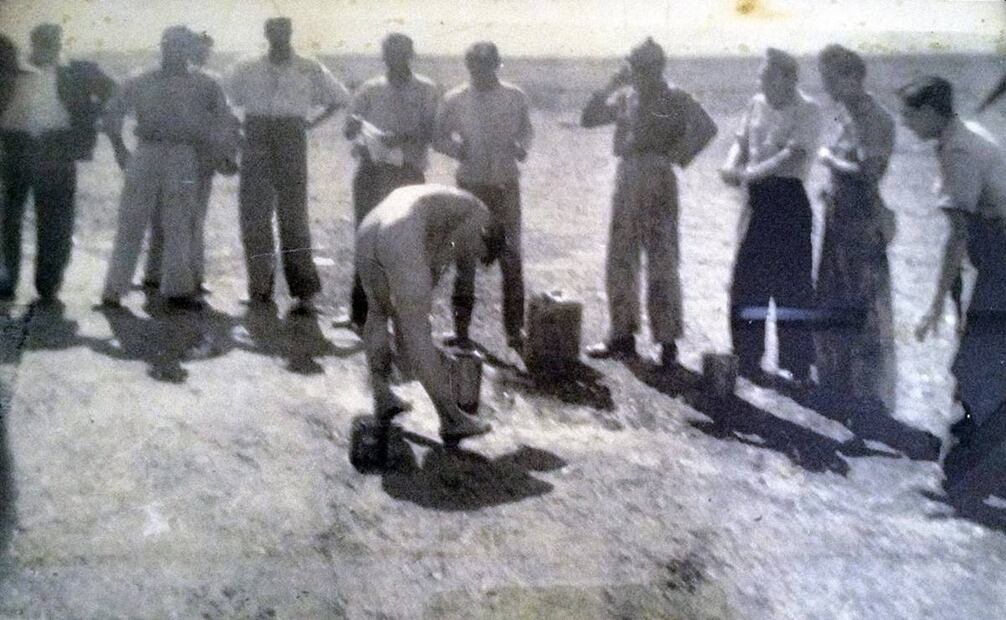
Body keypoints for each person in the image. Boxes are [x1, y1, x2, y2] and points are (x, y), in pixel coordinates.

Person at [581, 37, 717, 367]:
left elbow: (706, 127)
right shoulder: (627, 97)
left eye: (644, 67)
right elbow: (589, 117)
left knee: (662, 258)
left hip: (658, 174)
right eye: (634, 67)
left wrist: (676, 156)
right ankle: (621, 335)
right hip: (628, 173)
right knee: (621, 255)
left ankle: (667, 341)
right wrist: (611, 85)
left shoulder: (676, 96)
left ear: (659, 67)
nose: (639, 73)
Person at [356, 184, 504, 442]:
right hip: (401, 230)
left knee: (378, 311)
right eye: (476, 253)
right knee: (417, 331)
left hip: (371, 226)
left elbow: (433, 259)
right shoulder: (480, 216)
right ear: (485, 235)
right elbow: (440, 258)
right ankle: (451, 419)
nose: (469, 258)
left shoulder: (454, 205)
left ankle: (382, 396)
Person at [905, 76, 1006, 447]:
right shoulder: (962, 135)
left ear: (931, 112)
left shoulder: (959, 151)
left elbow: (956, 238)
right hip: (993, 261)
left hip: (999, 263)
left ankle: (970, 457)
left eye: (910, 115)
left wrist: (934, 306)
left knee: (976, 362)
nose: (905, 123)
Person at [100, 25, 230, 311]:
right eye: (169, 44)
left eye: (181, 45)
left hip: (184, 153)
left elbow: (223, 121)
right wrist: (120, 148)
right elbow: (112, 114)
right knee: (131, 219)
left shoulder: (206, 83)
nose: (174, 50)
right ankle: (114, 290)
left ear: (189, 49)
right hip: (147, 150)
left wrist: (219, 155)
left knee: (179, 221)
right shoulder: (141, 79)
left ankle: (178, 290)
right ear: (162, 46)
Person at [229, 17, 349, 315]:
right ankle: (259, 288)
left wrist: (310, 123)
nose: (279, 36)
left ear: (291, 33)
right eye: (273, 31)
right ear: (266, 33)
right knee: (254, 214)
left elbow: (340, 97)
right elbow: (224, 98)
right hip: (256, 134)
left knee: (293, 214)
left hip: (291, 136)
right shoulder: (247, 66)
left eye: (284, 31)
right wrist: (238, 129)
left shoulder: (308, 66)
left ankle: (304, 293)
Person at [719, 48, 821, 385]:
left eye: (767, 76)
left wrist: (751, 173)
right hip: (757, 202)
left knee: (792, 286)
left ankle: (796, 365)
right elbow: (740, 141)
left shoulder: (808, 109)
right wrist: (730, 165)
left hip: (788, 200)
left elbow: (792, 156)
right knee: (746, 282)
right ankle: (747, 358)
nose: (760, 81)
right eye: (761, 76)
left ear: (789, 78)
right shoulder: (756, 103)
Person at [0, 23, 117, 304]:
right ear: (32, 43)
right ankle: (5, 282)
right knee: (7, 220)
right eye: (42, 42)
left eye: (52, 43)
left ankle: (48, 285)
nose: (47, 48)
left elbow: (115, 91)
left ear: (60, 44)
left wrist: (90, 117)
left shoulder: (77, 71)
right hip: (14, 147)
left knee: (56, 222)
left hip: (57, 149)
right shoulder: (10, 71)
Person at [335, 32, 439, 331]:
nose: (395, 59)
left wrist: (401, 138)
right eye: (389, 53)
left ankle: (404, 317)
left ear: (411, 55)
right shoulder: (371, 88)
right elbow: (348, 129)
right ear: (383, 56)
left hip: (407, 173)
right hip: (371, 171)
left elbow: (433, 130)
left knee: (405, 243)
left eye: (401, 53)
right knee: (366, 239)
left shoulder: (426, 89)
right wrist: (356, 126)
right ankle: (359, 314)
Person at [814, 44, 897, 412]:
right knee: (831, 300)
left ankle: (868, 397)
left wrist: (828, 159)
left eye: (831, 78)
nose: (826, 86)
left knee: (864, 309)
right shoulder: (844, 113)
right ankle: (836, 387)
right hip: (838, 221)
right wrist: (830, 185)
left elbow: (870, 172)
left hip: (862, 224)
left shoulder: (876, 118)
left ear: (853, 77)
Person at [433, 41, 532, 352]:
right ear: (468, 66)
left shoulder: (515, 96)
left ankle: (514, 332)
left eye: (487, 64)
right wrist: (456, 149)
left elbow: (526, 130)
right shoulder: (455, 98)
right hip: (470, 186)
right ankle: (461, 331)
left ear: (497, 64)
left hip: (505, 186)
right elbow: (438, 136)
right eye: (475, 65)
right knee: (464, 258)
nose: (481, 70)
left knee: (511, 257)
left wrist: (521, 147)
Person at [143, 31, 237, 296]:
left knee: (192, 217)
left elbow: (225, 120)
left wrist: (225, 155)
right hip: (166, 154)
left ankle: (192, 276)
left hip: (199, 156)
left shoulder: (208, 82)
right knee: (161, 215)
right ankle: (155, 274)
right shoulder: (160, 80)